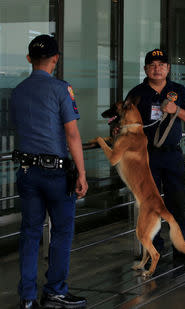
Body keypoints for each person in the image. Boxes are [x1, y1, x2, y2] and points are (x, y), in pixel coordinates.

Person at [10, 34, 88, 309]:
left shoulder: (17, 91)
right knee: (61, 232)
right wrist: (81, 173)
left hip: (27, 172)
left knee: (29, 232)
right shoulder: (60, 89)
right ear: (55, 59)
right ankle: (55, 290)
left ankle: (28, 298)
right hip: (56, 174)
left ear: (30, 59)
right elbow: (72, 134)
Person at [126, 48, 185, 264]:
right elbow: (125, 121)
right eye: (152, 65)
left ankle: (182, 252)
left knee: (178, 204)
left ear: (168, 68)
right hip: (146, 158)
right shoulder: (137, 93)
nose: (157, 69)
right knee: (149, 207)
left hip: (172, 156)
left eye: (161, 65)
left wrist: (176, 110)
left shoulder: (178, 90)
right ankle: (152, 252)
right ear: (145, 68)